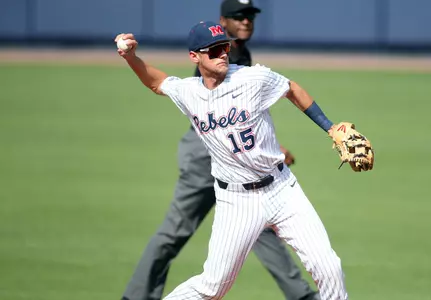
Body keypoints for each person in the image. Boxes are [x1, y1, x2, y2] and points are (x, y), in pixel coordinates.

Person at [115, 19, 348, 300]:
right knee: (213, 288)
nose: (222, 53)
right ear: (195, 56)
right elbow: (157, 82)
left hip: (282, 189)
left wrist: (330, 126)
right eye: (213, 50)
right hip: (236, 201)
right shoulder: (189, 92)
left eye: (224, 47)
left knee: (329, 266)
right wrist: (130, 57)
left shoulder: (252, 78)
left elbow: (291, 88)